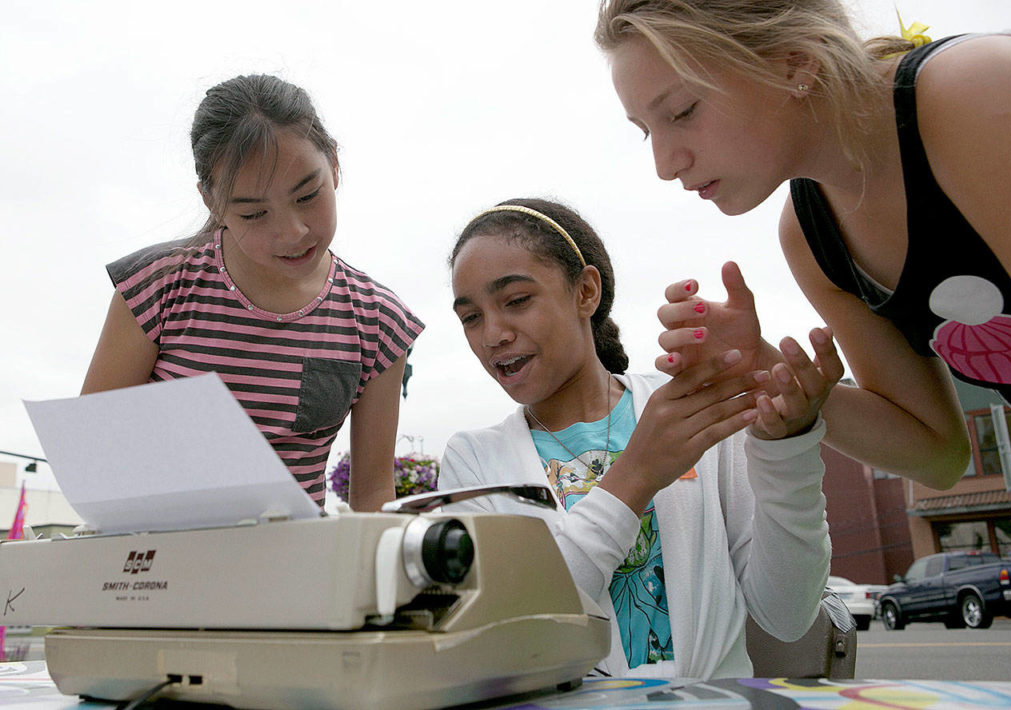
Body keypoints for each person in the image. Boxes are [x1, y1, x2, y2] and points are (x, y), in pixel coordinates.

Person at [595, 0, 1011, 490]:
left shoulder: (971, 92)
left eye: (682, 111)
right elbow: (937, 455)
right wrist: (760, 368)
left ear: (795, 61)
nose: (664, 165)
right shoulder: (811, 233)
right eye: (646, 131)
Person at [439, 198, 835, 679]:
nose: (493, 334)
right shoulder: (475, 460)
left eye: (517, 301)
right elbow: (511, 637)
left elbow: (788, 616)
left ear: (585, 292)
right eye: (470, 317)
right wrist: (636, 476)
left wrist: (785, 449)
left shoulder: (690, 409)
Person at [81, 75, 423, 512]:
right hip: (158, 559)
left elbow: (373, 495)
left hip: (293, 568)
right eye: (254, 213)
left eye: (308, 195)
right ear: (212, 201)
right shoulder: (158, 285)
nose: (292, 232)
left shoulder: (379, 320)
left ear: (334, 163)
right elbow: (92, 454)